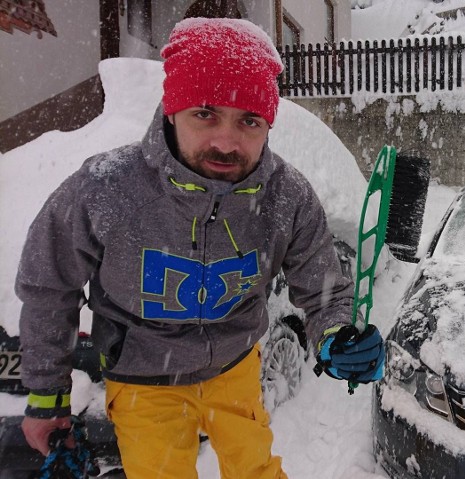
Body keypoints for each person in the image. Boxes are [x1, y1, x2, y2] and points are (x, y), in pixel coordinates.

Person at [15, 18, 384, 479]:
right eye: (205, 113)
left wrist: (337, 337)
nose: (226, 142)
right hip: (143, 381)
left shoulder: (286, 196)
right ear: (172, 110)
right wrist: (47, 394)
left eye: (249, 120)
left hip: (236, 365)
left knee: (256, 470)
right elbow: (49, 284)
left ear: (268, 124)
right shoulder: (106, 189)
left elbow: (323, 285)